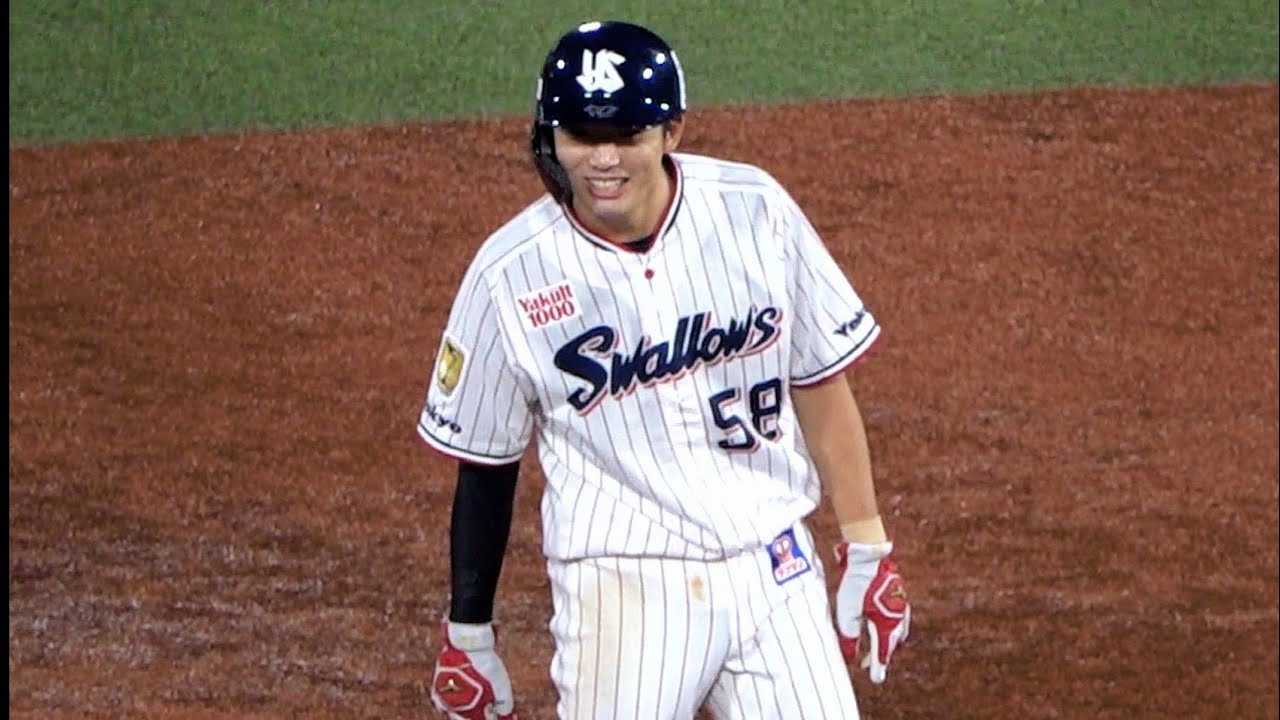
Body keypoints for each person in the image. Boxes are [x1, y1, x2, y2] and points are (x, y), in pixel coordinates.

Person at [417, 19, 911, 720]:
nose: (603, 159)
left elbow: (818, 380)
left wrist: (866, 542)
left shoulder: (755, 211)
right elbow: (486, 466)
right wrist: (469, 630)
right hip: (625, 590)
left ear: (671, 131)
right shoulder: (510, 273)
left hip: (773, 568)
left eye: (627, 135)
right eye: (581, 135)